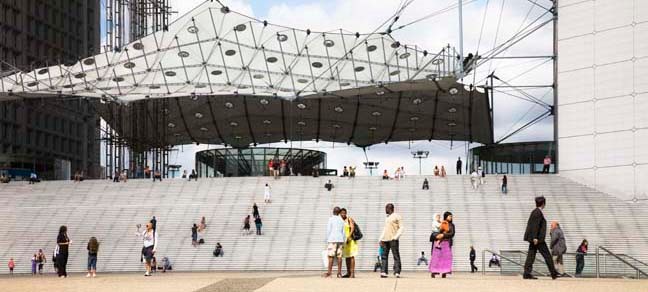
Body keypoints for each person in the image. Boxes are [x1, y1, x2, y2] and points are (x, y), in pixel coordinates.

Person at [523, 196, 558, 280]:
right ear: (543, 203)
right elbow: (535, 226)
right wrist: (535, 237)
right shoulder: (538, 212)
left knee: (531, 255)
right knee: (547, 256)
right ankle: (553, 273)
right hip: (538, 239)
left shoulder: (535, 211)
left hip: (535, 238)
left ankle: (527, 273)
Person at [379, 203, 403, 278]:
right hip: (385, 239)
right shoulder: (387, 217)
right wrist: (380, 239)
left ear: (390, 208)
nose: (385, 210)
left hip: (393, 239)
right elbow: (385, 229)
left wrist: (396, 237)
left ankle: (397, 271)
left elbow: (401, 227)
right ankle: (384, 272)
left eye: (386, 208)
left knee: (395, 255)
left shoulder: (397, 216)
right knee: (384, 256)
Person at [429, 211, 455, 278]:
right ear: (446, 216)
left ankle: (444, 272)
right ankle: (434, 271)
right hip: (439, 242)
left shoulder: (452, 225)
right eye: (449, 216)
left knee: (446, 258)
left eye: (451, 216)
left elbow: (452, 234)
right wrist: (437, 236)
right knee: (436, 257)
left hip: (447, 243)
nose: (451, 217)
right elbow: (436, 232)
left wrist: (443, 235)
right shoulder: (442, 223)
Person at [324, 206, 346, 278]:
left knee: (331, 256)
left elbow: (328, 230)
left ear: (333, 211)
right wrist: (343, 240)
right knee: (339, 257)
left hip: (332, 239)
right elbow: (343, 232)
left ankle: (329, 273)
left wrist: (327, 239)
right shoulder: (342, 221)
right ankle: (339, 273)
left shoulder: (331, 219)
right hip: (340, 240)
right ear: (339, 212)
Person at [340, 208, 358, 278]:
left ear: (346, 213)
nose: (343, 214)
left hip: (351, 240)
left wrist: (349, 237)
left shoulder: (349, 219)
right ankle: (348, 272)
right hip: (344, 240)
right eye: (341, 213)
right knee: (346, 256)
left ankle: (352, 273)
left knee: (352, 256)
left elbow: (352, 228)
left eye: (344, 213)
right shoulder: (340, 220)